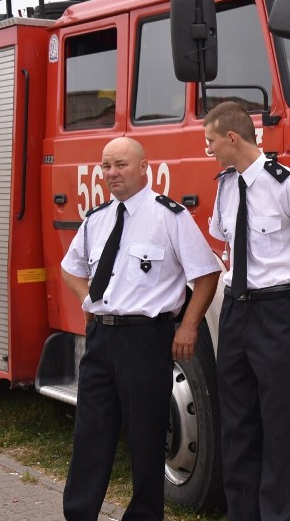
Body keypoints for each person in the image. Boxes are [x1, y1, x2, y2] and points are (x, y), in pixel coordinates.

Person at [60, 137, 221, 520]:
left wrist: (190, 327)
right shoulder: (96, 219)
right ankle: (79, 514)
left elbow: (207, 274)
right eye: (106, 166)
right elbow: (71, 268)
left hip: (146, 340)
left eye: (121, 165)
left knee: (147, 438)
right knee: (90, 435)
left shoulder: (170, 216)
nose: (112, 174)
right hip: (101, 339)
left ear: (144, 167)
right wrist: (89, 300)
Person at [204, 101, 290, 520]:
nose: (207, 149)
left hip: (274, 315)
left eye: (211, 141)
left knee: (280, 428)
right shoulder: (226, 186)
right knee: (237, 424)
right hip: (235, 313)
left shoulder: (289, 184)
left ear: (233, 138)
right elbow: (224, 246)